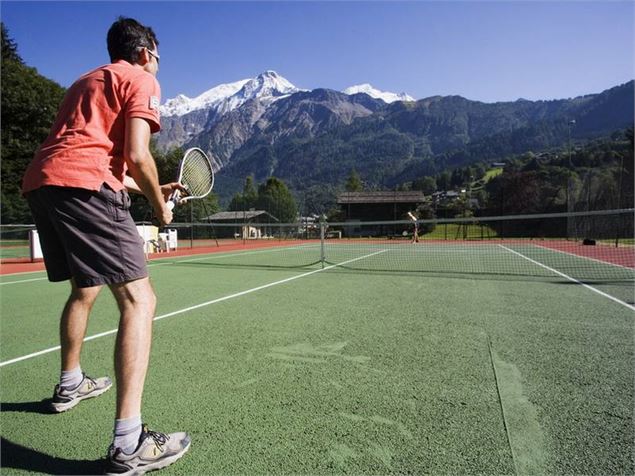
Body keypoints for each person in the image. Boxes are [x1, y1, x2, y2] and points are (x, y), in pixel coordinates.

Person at [21, 17, 190, 475]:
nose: (158, 63)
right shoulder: (140, 78)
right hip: (83, 188)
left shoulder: (86, 80)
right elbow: (137, 155)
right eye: (158, 55)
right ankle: (129, 442)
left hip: (43, 183)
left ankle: (70, 383)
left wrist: (150, 187)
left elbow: (87, 153)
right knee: (140, 299)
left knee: (85, 288)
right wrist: (160, 206)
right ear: (144, 52)